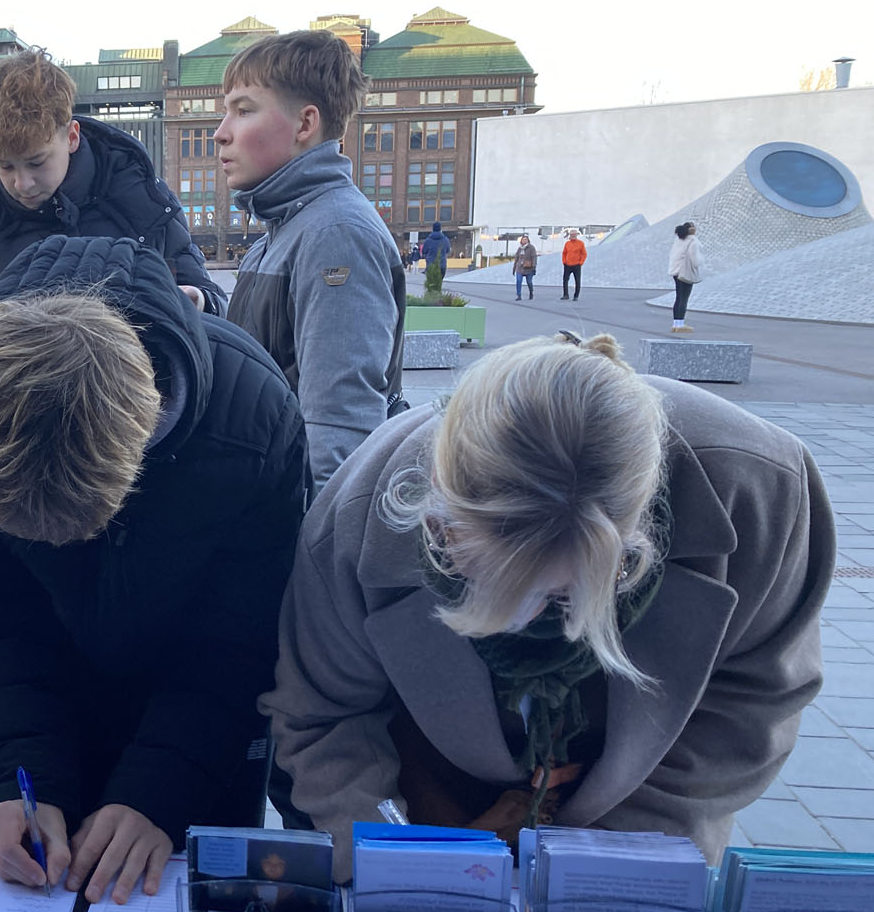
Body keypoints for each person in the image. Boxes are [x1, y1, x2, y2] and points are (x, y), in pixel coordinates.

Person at [264, 331, 835, 883]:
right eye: (485, 586)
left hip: (649, 803)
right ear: (437, 523)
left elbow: (751, 703)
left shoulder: (764, 493)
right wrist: (405, 859)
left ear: (639, 539)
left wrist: (611, 866)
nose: (527, 621)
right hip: (428, 786)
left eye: (564, 597)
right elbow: (321, 716)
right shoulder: (354, 518)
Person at [0, 235, 306, 905]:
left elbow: (240, 640)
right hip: (59, 699)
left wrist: (157, 793)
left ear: (148, 436)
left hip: (210, 720)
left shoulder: (250, 419)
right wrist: (20, 783)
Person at [0, 49, 222, 403]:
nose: (23, 184)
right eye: (5, 167)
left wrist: (198, 300)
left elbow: (214, 304)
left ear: (71, 136)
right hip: (15, 425)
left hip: (135, 418)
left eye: (36, 162)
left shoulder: (143, 203)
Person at [214, 28, 407, 492]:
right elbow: (274, 356)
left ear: (305, 125)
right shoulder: (285, 229)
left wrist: (305, 554)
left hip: (294, 524)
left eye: (243, 110)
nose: (221, 134)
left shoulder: (336, 235)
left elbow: (340, 432)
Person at [669, 221, 703, 334]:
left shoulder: (678, 240)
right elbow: (695, 260)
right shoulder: (693, 241)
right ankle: (681, 325)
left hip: (676, 271)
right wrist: (701, 261)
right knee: (684, 298)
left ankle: (676, 324)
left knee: (678, 298)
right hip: (685, 272)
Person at [560, 229, 586, 300]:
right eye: (572, 235)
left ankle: (576, 296)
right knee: (565, 280)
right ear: (570, 236)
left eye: (574, 235)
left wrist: (581, 262)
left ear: (576, 235)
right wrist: (564, 261)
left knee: (577, 280)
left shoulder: (581, 243)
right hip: (567, 265)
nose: (573, 236)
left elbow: (584, 254)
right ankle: (565, 295)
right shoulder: (567, 243)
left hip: (577, 265)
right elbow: (564, 253)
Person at [513, 234, 537, 300]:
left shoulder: (531, 248)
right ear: (521, 241)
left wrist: (534, 266)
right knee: (518, 281)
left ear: (528, 240)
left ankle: (531, 292)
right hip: (520, 268)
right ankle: (519, 295)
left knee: (529, 282)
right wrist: (514, 268)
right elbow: (516, 258)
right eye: (523, 239)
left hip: (529, 268)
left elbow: (534, 257)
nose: (524, 241)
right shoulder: (519, 248)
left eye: (526, 239)